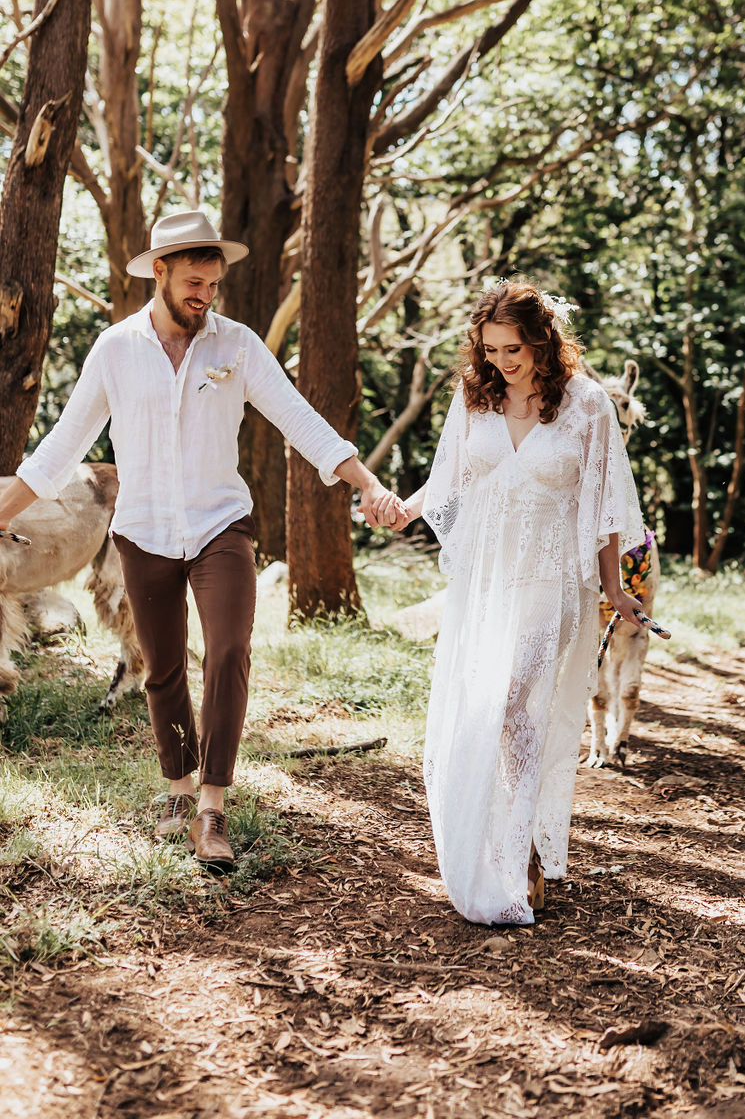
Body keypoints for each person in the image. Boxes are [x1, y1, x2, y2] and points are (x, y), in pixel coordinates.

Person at [0, 211, 405, 871]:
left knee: (227, 650)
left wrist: (364, 482)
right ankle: (178, 794)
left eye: (213, 285)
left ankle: (213, 808)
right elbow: (57, 453)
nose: (205, 296)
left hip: (221, 524)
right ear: (158, 272)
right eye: (194, 283)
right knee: (162, 671)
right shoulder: (116, 349)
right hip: (144, 532)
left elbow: (298, 418)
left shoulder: (236, 346)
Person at [393, 280, 651, 926]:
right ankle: (521, 841)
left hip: (550, 577)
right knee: (498, 708)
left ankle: (515, 849)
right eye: (492, 349)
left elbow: (602, 505)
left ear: (542, 340)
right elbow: (449, 473)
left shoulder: (587, 405)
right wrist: (404, 509)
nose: (504, 362)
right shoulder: (474, 395)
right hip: (485, 578)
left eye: (514, 348)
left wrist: (615, 589)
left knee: (511, 698)